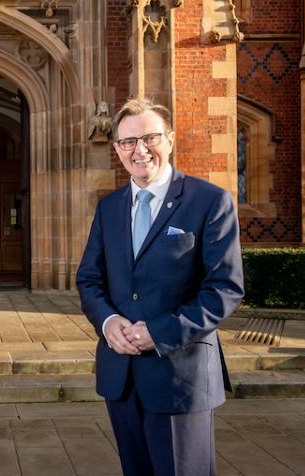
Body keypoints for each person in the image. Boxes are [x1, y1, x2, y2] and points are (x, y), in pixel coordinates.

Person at [77, 99, 243, 475]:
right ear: (117, 148)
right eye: (128, 141)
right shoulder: (110, 207)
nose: (139, 150)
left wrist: (159, 331)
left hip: (179, 375)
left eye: (150, 137)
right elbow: (89, 278)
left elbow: (225, 289)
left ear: (169, 139)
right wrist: (108, 323)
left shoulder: (209, 201)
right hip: (121, 373)